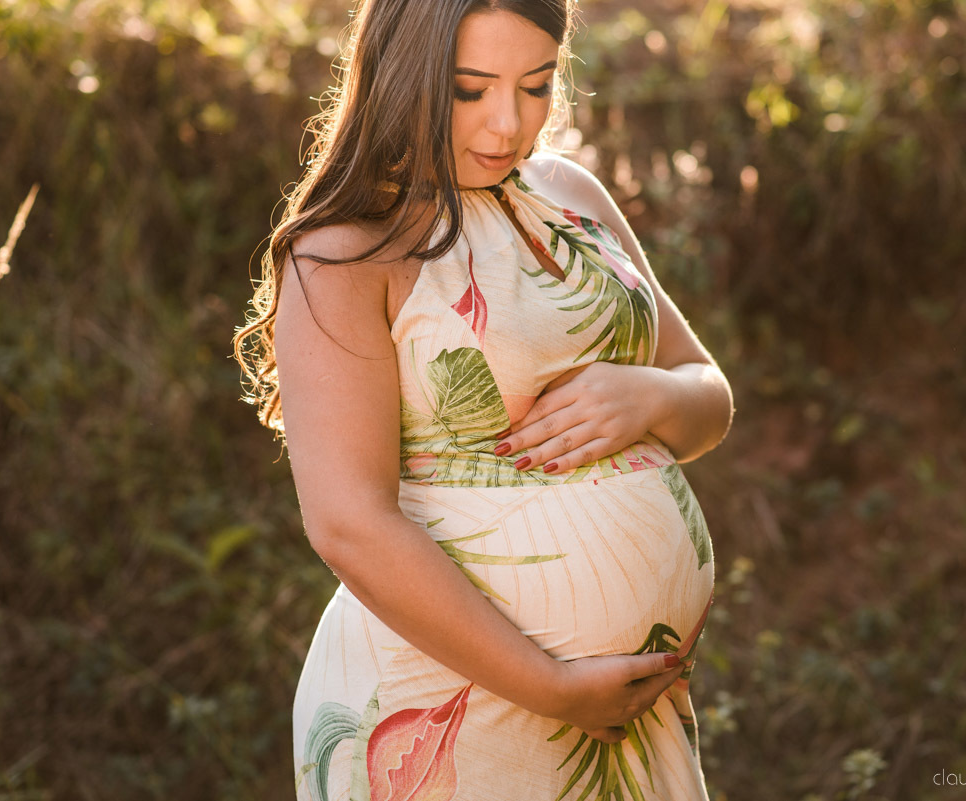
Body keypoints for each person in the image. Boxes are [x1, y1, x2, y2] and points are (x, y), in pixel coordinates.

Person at [234, 0, 734, 798]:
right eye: (470, 90)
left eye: (536, 85)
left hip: (630, 725)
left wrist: (645, 394)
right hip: (446, 715)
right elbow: (349, 524)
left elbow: (709, 396)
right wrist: (553, 688)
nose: (509, 123)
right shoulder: (343, 254)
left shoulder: (571, 196)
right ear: (405, 73)